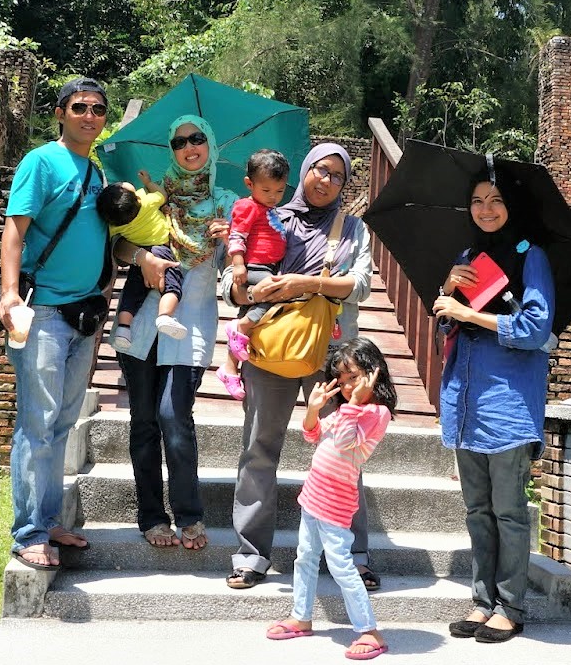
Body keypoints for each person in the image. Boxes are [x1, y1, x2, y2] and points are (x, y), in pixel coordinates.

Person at [227, 142, 378, 591]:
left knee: (344, 451)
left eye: (336, 175)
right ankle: (251, 555)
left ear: (344, 184)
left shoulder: (353, 229)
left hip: (333, 356)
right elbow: (232, 283)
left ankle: (352, 553)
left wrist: (306, 281)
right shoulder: (270, 212)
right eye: (319, 169)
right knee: (259, 446)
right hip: (272, 344)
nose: (325, 180)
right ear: (305, 171)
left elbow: (361, 285)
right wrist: (250, 292)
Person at [432, 169, 555, 643]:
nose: (486, 209)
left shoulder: (532, 257)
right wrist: (447, 293)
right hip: (465, 401)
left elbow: (536, 328)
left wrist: (470, 312)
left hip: (508, 404)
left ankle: (512, 605)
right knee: (477, 511)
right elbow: (448, 326)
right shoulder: (468, 258)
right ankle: (482, 602)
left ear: (512, 207)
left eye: (496, 200)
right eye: (478, 200)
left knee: (508, 511)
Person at [0, 76, 111, 570]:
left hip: (84, 314)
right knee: (37, 424)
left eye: (98, 109)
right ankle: (29, 532)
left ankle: (48, 519)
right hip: (42, 311)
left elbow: (107, 243)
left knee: (62, 424)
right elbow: (14, 231)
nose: (90, 115)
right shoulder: (41, 161)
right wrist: (8, 292)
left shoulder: (98, 174)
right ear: (61, 113)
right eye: (80, 107)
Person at [117, 115, 236, 550]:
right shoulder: (156, 196)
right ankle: (151, 516)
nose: (189, 146)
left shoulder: (227, 202)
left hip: (190, 324)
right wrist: (143, 257)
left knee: (173, 417)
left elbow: (235, 273)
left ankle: (189, 514)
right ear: (172, 149)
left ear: (211, 145)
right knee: (144, 423)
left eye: (198, 138)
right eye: (180, 140)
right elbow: (120, 244)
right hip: (142, 324)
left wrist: (230, 244)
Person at [263, 338, 395, 661]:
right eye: (344, 380)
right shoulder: (343, 411)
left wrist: (354, 404)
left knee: (341, 566)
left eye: (355, 377)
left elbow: (350, 444)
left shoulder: (376, 413)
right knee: (305, 557)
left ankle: (369, 630)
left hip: (336, 502)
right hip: (313, 496)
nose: (349, 386)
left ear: (374, 373)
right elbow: (313, 435)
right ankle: (301, 616)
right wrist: (312, 409)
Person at [219, 148, 292, 399]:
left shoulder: (269, 209)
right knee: (282, 291)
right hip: (254, 268)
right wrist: (238, 263)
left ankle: (230, 370)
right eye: (267, 190)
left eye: (280, 191)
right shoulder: (247, 206)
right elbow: (238, 235)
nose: (273, 197)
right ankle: (241, 327)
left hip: (268, 267)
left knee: (266, 301)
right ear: (249, 184)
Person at [96, 172, 198, 351]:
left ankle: (123, 328)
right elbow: (162, 195)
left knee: (132, 291)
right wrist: (149, 183)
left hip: (141, 256)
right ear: (136, 199)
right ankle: (165, 315)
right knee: (173, 286)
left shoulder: (114, 225)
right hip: (162, 251)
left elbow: (111, 242)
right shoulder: (146, 202)